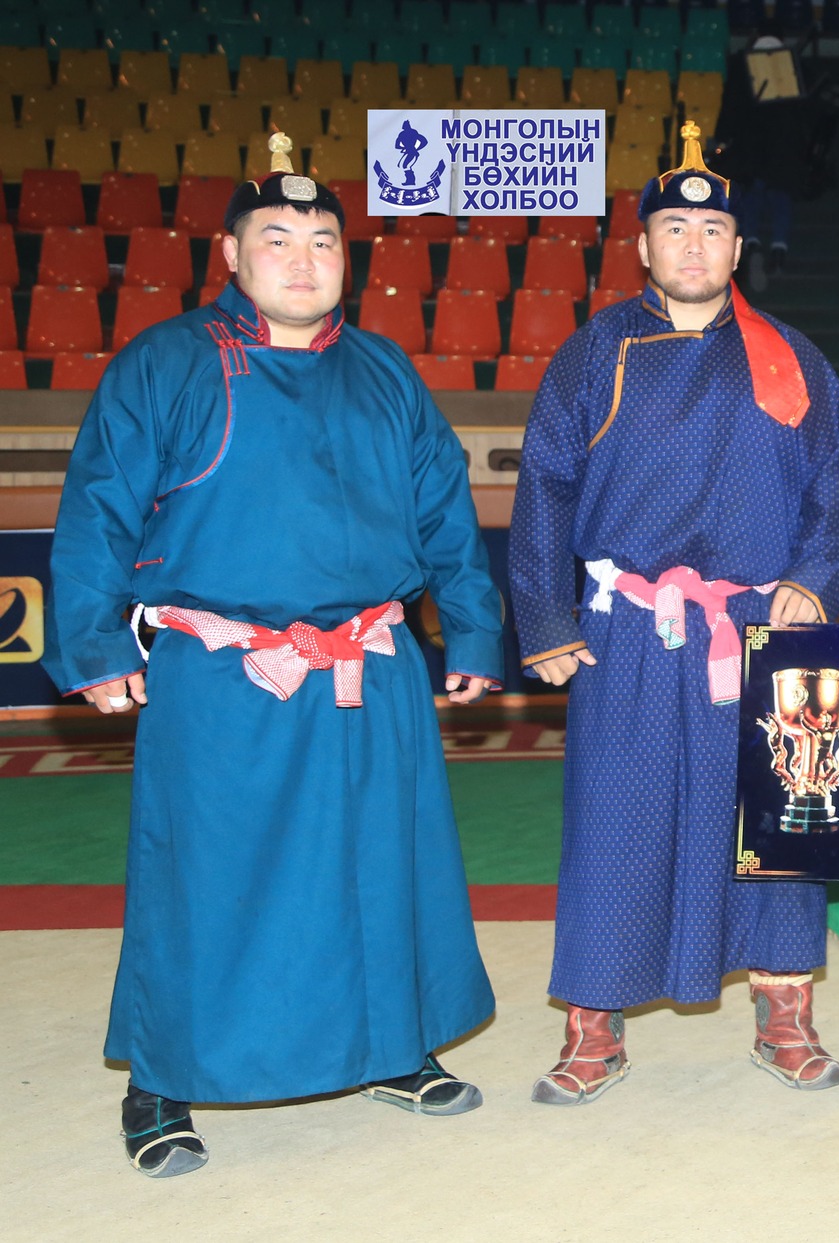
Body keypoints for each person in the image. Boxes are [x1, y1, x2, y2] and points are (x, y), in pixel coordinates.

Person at [43, 134, 502, 1178]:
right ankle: (162, 1078)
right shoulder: (164, 363)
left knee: (380, 865)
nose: (303, 259)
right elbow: (99, 507)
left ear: (348, 258)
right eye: (278, 239)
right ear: (232, 255)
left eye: (323, 241)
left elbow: (444, 510)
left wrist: (472, 626)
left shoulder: (385, 370)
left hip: (371, 665)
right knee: (205, 877)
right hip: (225, 676)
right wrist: (96, 641)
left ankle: (389, 1046)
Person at [508, 123, 839, 1103]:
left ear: (738, 248)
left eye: (713, 230)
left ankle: (784, 1013)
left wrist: (816, 580)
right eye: (675, 228)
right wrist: (545, 617)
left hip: (762, 634)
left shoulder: (794, 360)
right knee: (614, 823)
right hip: (631, 632)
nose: (695, 245)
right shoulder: (594, 353)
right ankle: (594, 1022)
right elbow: (543, 486)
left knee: (778, 823)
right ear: (643, 246)